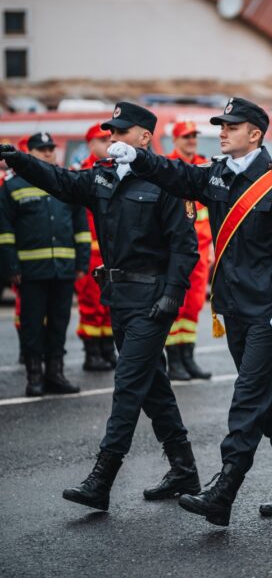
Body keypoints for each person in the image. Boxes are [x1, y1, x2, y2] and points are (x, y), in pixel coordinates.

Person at [112, 97, 272, 527]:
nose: (221, 131)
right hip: (233, 306)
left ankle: (225, 490)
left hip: (269, 311)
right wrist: (142, 158)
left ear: (255, 133)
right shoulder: (219, 175)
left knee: (247, 400)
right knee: (269, 397)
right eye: (220, 125)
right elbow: (179, 174)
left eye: (230, 125)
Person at [0, 102, 200, 512]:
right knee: (152, 385)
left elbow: (185, 244)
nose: (112, 138)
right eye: (110, 132)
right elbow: (59, 180)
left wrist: (173, 293)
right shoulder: (102, 178)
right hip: (119, 298)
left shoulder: (165, 181)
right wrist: (18, 159)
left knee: (128, 385)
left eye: (120, 132)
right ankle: (184, 469)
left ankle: (102, 479)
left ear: (144, 138)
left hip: (152, 298)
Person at [0, 132, 89, 396]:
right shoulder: (12, 186)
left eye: (51, 148)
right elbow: (4, 231)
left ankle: (55, 374)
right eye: (42, 149)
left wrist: (81, 260)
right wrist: (11, 267)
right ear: (30, 152)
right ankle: (34, 377)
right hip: (30, 271)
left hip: (63, 268)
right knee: (32, 325)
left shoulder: (65, 183)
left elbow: (80, 227)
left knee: (59, 323)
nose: (48, 153)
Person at [163, 120, 212, 381]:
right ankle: (174, 360)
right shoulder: (168, 166)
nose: (191, 140)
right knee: (175, 306)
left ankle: (187, 356)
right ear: (175, 140)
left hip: (202, 251)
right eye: (186, 136)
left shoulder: (204, 165)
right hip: (177, 251)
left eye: (193, 135)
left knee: (193, 306)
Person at [75, 123, 116, 372]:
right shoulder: (84, 174)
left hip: (111, 251)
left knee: (110, 304)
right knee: (91, 304)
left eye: (110, 140)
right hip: (90, 252)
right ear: (90, 144)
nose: (109, 145)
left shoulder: (114, 171)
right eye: (103, 141)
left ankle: (106, 349)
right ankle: (92, 353)